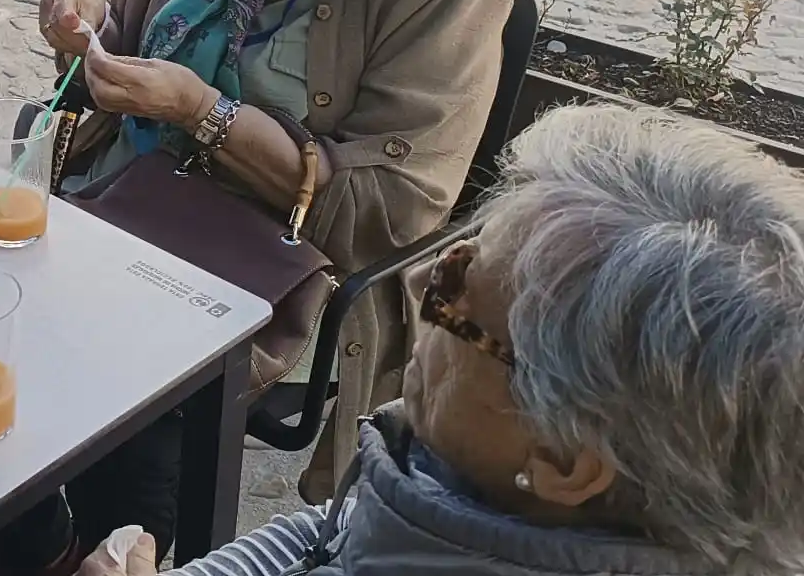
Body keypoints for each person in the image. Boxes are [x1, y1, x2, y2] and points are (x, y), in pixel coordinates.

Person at [0, 0, 514, 572]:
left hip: (266, 271)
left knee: (116, 376)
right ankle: (43, 540)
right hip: (119, 205)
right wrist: (85, 22)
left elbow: (394, 212)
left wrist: (203, 113)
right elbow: (131, 23)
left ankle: (112, 546)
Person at [80, 103, 804, 576]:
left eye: (457, 294)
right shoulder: (490, 484)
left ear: (563, 461)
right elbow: (342, 528)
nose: (423, 274)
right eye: (460, 249)